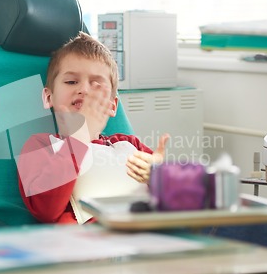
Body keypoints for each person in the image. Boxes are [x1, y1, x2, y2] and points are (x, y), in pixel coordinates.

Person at [17, 32, 169, 224]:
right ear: (49, 97)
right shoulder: (41, 146)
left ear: (113, 105)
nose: (84, 90)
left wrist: (159, 176)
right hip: (98, 244)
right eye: (71, 81)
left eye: (96, 84)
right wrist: (79, 136)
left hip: (153, 232)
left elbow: (178, 199)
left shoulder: (129, 144)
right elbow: (46, 210)